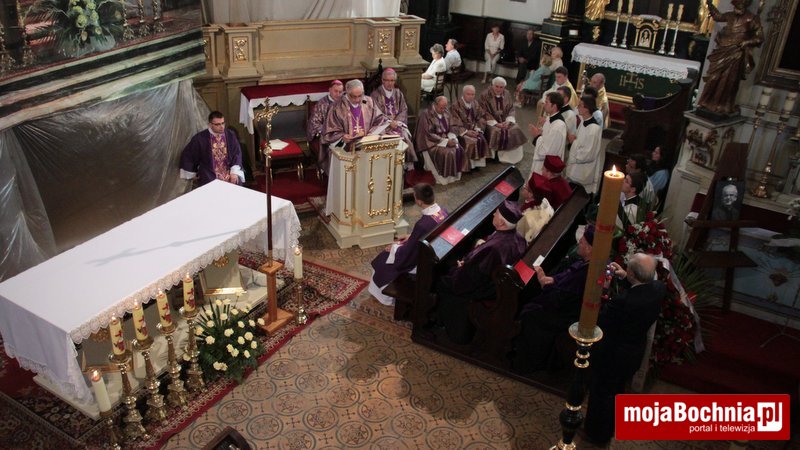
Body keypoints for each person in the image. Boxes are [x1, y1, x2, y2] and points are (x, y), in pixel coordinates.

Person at [584, 253, 665, 445]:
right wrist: (625, 277)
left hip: (612, 355)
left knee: (602, 394)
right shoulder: (658, 288)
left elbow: (602, 320)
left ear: (632, 273)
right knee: (617, 392)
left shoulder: (622, 302)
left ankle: (596, 435)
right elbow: (640, 290)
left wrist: (604, 290)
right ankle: (609, 429)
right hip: (633, 353)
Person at [437, 200, 527, 344]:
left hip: (485, 289)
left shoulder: (494, 248)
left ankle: (448, 328)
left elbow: (473, 278)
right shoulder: (519, 238)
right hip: (496, 283)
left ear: (501, 223)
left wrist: (460, 268)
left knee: (441, 280)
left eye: (496, 213)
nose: (493, 214)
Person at [514, 224, 594, 373]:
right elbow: (565, 278)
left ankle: (528, 363)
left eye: (582, 242)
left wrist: (543, 281)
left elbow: (558, 297)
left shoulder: (584, 274)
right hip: (563, 303)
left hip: (564, 314)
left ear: (590, 249)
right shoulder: (586, 264)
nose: (579, 243)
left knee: (530, 313)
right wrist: (551, 279)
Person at [369, 183, 448, 306]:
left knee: (383, 259)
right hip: (435, 252)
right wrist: (411, 236)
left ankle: (386, 298)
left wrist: (394, 249)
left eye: (415, 196)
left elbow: (408, 254)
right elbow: (428, 233)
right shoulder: (443, 212)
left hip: (421, 261)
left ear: (419, 202)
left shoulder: (422, 225)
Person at [322, 79, 389, 212]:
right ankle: (345, 208)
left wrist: (371, 133)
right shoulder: (337, 106)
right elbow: (329, 131)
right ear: (347, 93)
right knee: (348, 185)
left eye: (360, 95)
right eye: (354, 96)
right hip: (345, 149)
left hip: (366, 147)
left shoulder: (369, 102)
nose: (358, 100)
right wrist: (342, 136)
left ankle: (365, 207)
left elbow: (380, 120)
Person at [696, 0, 763, 116]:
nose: (739, 5)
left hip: (736, 53)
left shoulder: (752, 18)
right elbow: (718, 16)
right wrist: (710, 4)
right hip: (723, 50)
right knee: (713, 77)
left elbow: (760, 37)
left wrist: (747, 42)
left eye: (741, 3)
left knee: (729, 80)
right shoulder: (730, 15)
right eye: (737, 3)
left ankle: (723, 105)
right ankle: (706, 102)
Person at [179, 111, 244, 187]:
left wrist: (234, 172)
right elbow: (189, 155)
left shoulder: (230, 135)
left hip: (229, 175)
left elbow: (237, 153)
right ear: (210, 125)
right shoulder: (200, 138)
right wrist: (191, 173)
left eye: (223, 123)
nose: (222, 126)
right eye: (217, 124)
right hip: (209, 176)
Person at [415, 96, 467, 185]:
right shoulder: (426, 114)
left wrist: (452, 137)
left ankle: (454, 177)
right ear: (435, 105)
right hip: (431, 143)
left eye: (445, 107)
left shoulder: (446, 112)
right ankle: (443, 178)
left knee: (459, 149)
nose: (443, 110)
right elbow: (427, 133)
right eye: (441, 108)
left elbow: (452, 127)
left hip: (446, 139)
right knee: (448, 153)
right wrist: (445, 142)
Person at [370, 68, 417, 168]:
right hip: (382, 127)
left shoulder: (398, 93)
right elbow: (375, 113)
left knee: (405, 138)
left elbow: (404, 109)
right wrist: (389, 123)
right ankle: (388, 166)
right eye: (387, 80)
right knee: (391, 140)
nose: (390, 83)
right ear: (382, 80)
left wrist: (397, 121)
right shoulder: (375, 95)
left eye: (392, 80)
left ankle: (402, 167)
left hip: (397, 124)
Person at [479, 77, 528, 164]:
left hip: (505, 120)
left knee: (515, 128)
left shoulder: (507, 93)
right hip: (490, 121)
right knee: (496, 131)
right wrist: (496, 123)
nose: (498, 89)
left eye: (501, 87)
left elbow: (511, 108)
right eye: (496, 86)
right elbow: (483, 111)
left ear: (504, 87)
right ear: (492, 85)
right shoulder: (485, 95)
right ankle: (494, 157)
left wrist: (508, 121)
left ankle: (510, 157)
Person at [566, 96, 604, 195]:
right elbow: (580, 140)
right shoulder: (583, 121)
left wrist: (573, 142)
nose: (577, 107)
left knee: (578, 196)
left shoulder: (594, 129)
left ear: (587, 108)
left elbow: (588, 154)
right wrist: (574, 140)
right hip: (576, 168)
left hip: (583, 172)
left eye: (580, 105)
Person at [306, 80, 344, 177]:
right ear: (329, 90)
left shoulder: (345, 103)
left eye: (340, 92)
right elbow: (315, 123)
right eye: (336, 91)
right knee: (332, 150)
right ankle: (332, 176)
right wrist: (328, 132)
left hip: (343, 134)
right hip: (327, 135)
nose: (338, 94)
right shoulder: (321, 104)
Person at [451, 84, 490, 169]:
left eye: (473, 94)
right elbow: (454, 123)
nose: (470, 97)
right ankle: (467, 166)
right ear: (463, 94)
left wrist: (477, 129)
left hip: (474, 129)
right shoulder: (455, 106)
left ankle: (477, 165)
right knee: (470, 142)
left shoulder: (475, 103)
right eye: (468, 94)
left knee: (481, 139)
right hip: (462, 132)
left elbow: (481, 117)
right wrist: (466, 132)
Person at [529, 91, 566, 176]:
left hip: (546, 168)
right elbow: (547, 137)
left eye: (547, 102)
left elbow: (546, 151)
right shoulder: (550, 118)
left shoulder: (558, 126)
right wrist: (540, 131)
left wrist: (537, 136)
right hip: (541, 162)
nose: (544, 104)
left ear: (554, 106)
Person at [517, 177, 555, 243]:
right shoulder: (545, 201)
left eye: (525, 187)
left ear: (531, 194)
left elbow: (519, 233)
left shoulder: (525, 214)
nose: (522, 188)